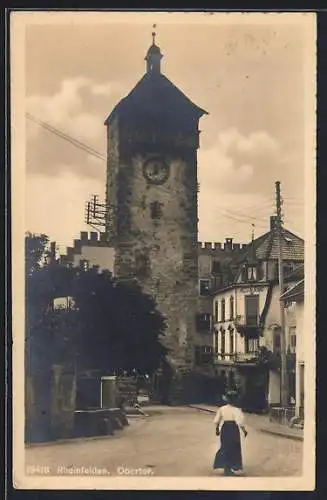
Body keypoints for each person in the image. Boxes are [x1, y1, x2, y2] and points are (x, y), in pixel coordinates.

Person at [213, 390, 248, 476]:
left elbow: (217, 420)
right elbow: (240, 422)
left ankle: (226, 467)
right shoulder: (236, 410)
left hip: (225, 428)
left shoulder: (222, 409)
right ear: (235, 400)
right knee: (233, 447)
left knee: (225, 447)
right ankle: (229, 468)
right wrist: (244, 431)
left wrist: (217, 429)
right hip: (233, 429)